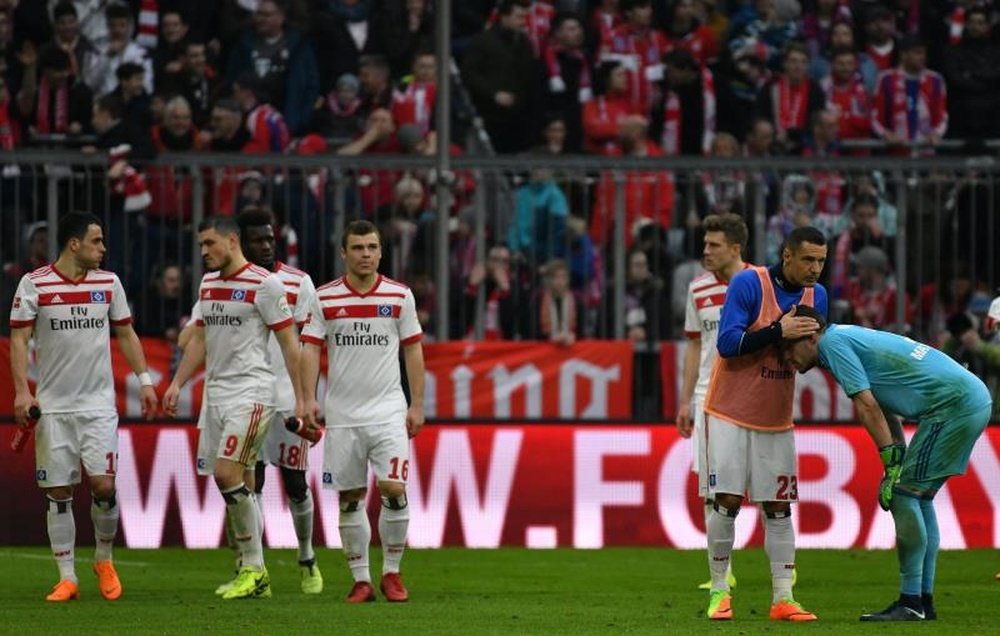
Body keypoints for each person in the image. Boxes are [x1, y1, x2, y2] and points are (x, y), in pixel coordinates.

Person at [782, 307, 992, 621]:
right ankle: (923, 600)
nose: (787, 357)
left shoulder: (832, 345)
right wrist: (895, 456)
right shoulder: (846, 337)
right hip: (968, 398)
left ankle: (911, 602)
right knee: (919, 498)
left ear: (811, 336)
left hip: (953, 405)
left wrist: (891, 462)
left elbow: (866, 406)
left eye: (788, 347)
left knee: (904, 495)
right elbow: (882, 405)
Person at [9, 212, 158, 602]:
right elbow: (20, 340)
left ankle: (104, 560)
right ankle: (68, 577)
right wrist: (22, 393)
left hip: (97, 406)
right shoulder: (34, 284)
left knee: (103, 485)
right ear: (74, 244)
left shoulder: (109, 284)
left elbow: (126, 333)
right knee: (59, 491)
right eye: (97, 241)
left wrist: (144, 382)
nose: (103, 249)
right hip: (54, 407)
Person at [162, 216, 303, 600]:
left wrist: (303, 397)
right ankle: (253, 571)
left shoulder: (265, 283)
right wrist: (177, 383)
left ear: (232, 240)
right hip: (217, 395)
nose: (204, 252)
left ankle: (255, 568)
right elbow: (201, 341)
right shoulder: (209, 284)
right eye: (201, 246)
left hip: (253, 392)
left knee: (227, 475)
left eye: (210, 243)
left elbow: (290, 344)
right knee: (241, 482)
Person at [701, 225, 829, 622]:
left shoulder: (818, 296)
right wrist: (778, 331)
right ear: (787, 256)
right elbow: (727, 344)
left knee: (779, 506)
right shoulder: (748, 284)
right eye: (808, 259)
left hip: (776, 416)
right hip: (730, 411)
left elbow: (806, 357)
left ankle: (783, 599)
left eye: (821, 261)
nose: (815, 269)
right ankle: (720, 592)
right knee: (727, 502)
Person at [299, 219, 426, 604]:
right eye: (358, 248)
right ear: (344, 253)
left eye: (372, 247)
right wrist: (307, 398)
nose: (366, 254)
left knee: (393, 490)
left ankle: (391, 573)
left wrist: (417, 403)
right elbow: (309, 349)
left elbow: (413, 350)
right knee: (351, 496)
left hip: (388, 410)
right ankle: (361, 580)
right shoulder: (324, 298)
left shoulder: (400, 295)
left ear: (381, 252)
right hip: (343, 415)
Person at [236, 207, 323, 594]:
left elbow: (308, 345)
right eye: (259, 239)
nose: (268, 245)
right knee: (249, 483)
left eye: (271, 238)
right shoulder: (226, 283)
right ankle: (256, 568)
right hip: (249, 398)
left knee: (295, 483)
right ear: (241, 243)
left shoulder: (298, 282)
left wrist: (308, 398)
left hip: (288, 400)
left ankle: (306, 557)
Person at [675, 213, 749, 591]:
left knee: (765, 489)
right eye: (705, 244)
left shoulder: (760, 284)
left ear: (735, 248)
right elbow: (693, 344)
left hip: (749, 395)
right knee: (710, 487)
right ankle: (722, 571)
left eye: (714, 245)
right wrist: (685, 400)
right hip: (707, 396)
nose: (706, 251)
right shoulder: (698, 289)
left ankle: (785, 569)